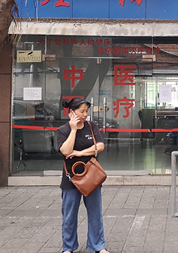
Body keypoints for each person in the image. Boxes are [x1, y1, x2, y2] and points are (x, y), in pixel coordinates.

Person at [57, 98, 109, 253]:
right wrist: (73, 130)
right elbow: (66, 151)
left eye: (87, 111)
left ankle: (98, 246)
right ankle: (68, 247)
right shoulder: (63, 130)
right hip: (71, 178)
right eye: (82, 111)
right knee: (69, 215)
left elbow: (100, 146)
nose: (85, 114)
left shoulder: (92, 126)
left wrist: (80, 153)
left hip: (92, 177)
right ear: (71, 112)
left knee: (95, 213)